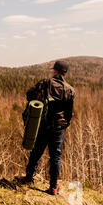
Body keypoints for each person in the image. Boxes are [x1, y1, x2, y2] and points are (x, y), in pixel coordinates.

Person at [19, 61, 75, 195]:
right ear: (65, 73)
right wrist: (64, 125)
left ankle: (28, 179)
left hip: (43, 124)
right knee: (56, 157)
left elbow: (29, 95)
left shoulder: (45, 83)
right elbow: (69, 113)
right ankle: (53, 187)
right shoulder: (70, 90)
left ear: (55, 71)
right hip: (59, 127)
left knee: (37, 152)